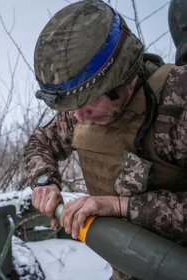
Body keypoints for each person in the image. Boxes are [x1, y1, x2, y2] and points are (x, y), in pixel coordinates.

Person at [24, 0, 187, 279]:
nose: (79, 115)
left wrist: (119, 206)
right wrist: (43, 182)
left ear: (121, 77)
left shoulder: (178, 101)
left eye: (87, 101)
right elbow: (40, 143)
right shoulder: (79, 114)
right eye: (71, 106)